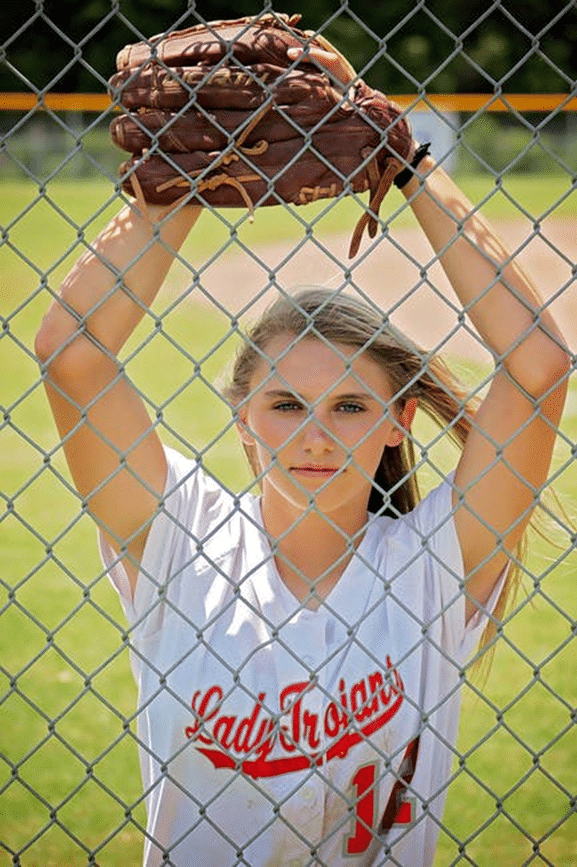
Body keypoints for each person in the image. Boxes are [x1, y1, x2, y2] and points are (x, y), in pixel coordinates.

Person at [35, 52, 570, 867]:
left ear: (397, 422)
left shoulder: (431, 567)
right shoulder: (184, 537)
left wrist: (408, 163)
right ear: (243, 420)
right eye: (285, 404)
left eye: (350, 406)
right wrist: (191, 172)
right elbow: (72, 354)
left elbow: (537, 366)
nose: (315, 434)